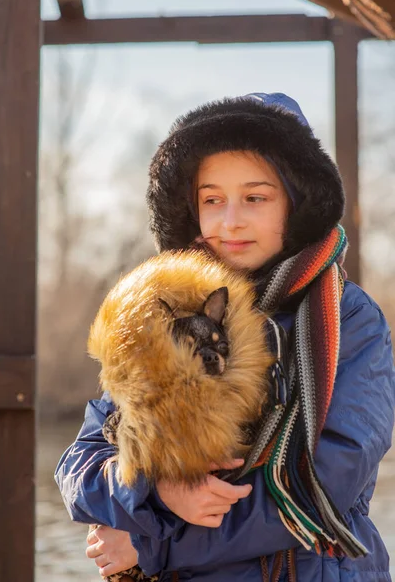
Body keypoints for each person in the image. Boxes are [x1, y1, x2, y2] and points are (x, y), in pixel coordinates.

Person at [55, 92, 395, 581]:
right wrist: (156, 491)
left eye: (255, 197)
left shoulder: (348, 319)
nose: (230, 221)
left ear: (295, 206)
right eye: (212, 199)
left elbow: (329, 482)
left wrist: (154, 544)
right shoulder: (161, 314)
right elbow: (81, 462)